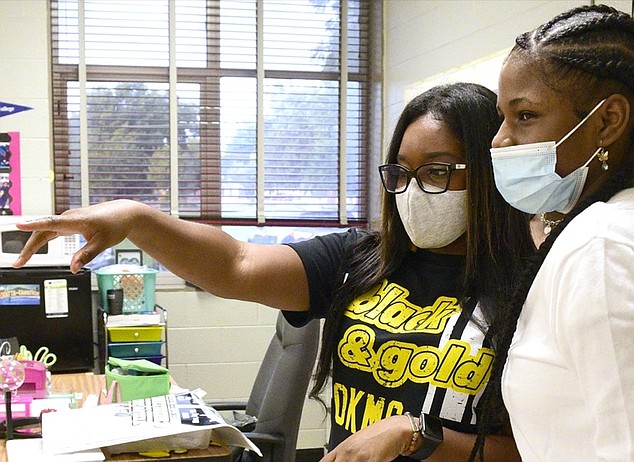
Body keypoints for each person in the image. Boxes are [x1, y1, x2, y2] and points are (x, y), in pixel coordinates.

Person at [12, 82, 534, 461]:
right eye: (401, 173)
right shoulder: (362, 257)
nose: (413, 191)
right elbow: (237, 264)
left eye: (438, 171)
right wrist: (136, 218)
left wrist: (415, 434)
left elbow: (548, 447)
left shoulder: (533, 283)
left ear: (490, 170)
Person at [469, 5, 634, 462]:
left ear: (608, 122)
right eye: (502, 117)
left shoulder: (601, 251)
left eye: (524, 116)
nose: (499, 140)